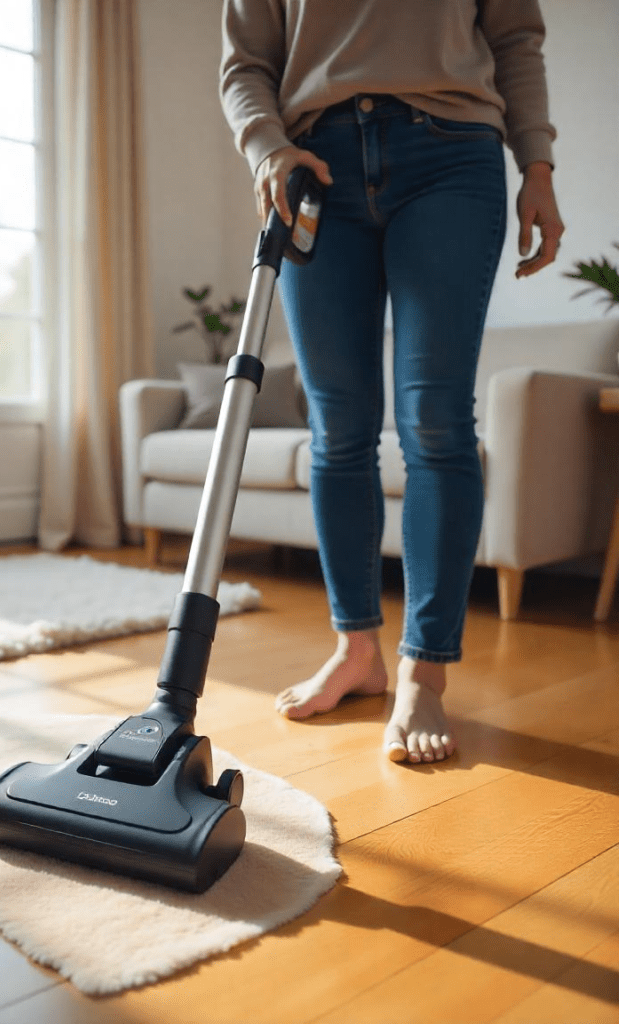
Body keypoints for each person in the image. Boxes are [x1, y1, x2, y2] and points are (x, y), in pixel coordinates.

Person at [219, 0, 565, 764]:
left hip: (451, 155)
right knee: (336, 428)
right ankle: (357, 650)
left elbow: (514, 38)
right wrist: (265, 147)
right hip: (311, 167)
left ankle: (425, 671)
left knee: (434, 418)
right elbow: (247, 63)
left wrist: (535, 162)